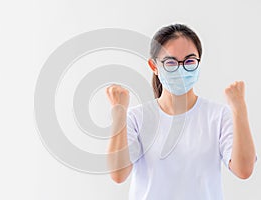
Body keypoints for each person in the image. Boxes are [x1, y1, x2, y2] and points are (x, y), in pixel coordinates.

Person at [106, 24, 257, 200]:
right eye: (170, 62)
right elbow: (118, 174)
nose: (181, 69)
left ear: (199, 62)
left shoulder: (217, 116)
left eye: (189, 61)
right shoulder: (137, 118)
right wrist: (119, 113)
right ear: (154, 66)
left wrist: (240, 109)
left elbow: (244, 170)